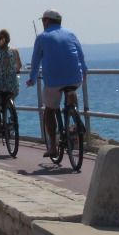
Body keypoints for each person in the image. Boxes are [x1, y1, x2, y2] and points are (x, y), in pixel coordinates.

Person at [26, 9, 88, 157]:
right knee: (71, 90)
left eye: (43, 21)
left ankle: (53, 147)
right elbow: (81, 56)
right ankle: (74, 113)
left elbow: (35, 61)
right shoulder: (71, 34)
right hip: (75, 77)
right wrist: (84, 73)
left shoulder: (42, 37)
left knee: (49, 109)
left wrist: (32, 79)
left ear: (47, 21)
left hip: (54, 80)